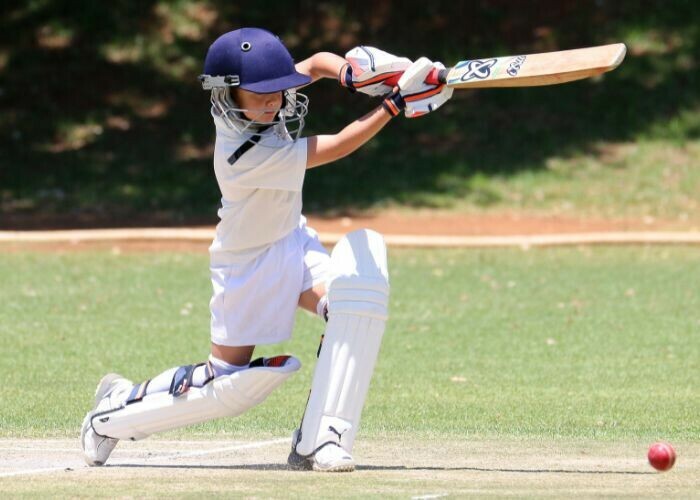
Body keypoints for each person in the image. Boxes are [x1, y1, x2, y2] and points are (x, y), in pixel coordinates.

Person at [80, 27, 452, 472]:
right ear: (227, 94)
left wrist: (352, 76)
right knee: (228, 388)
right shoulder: (243, 152)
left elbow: (314, 64)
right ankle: (111, 415)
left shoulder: (251, 98)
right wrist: (392, 105)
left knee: (354, 304)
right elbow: (334, 146)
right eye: (261, 95)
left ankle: (320, 441)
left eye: (277, 91)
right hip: (246, 264)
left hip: (291, 239)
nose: (273, 101)